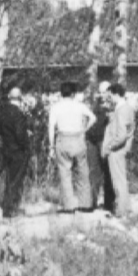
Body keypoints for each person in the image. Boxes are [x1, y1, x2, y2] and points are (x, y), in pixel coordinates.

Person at [46, 81, 96, 213]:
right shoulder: (79, 105)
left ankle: (69, 206)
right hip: (78, 138)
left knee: (65, 173)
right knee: (82, 172)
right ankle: (85, 204)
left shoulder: (56, 107)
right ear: (73, 93)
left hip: (63, 138)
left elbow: (51, 127)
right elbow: (93, 118)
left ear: (61, 93)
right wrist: (84, 130)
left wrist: (51, 146)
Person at [0, 85, 31, 219]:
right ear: (20, 98)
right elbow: (20, 134)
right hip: (18, 151)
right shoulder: (19, 114)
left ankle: (7, 206)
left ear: (9, 97)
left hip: (6, 149)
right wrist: (26, 144)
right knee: (16, 181)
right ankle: (9, 210)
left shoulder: (2, 112)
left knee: (9, 179)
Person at [101, 82, 136, 218]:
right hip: (123, 148)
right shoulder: (129, 108)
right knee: (122, 179)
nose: (109, 98)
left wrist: (110, 146)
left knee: (118, 181)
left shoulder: (120, 110)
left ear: (116, 94)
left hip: (116, 150)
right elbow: (129, 130)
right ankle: (125, 208)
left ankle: (121, 211)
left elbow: (121, 134)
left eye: (110, 96)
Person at [87, 81, 113, 211]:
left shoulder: (113, 107)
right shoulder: (95, 106)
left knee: (108, 171)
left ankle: (109, 203)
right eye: (100, 92)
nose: (102, 95)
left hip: (104, 141)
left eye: (104, 92)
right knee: (93, 172)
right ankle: (92, 202)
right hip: (92, 141)